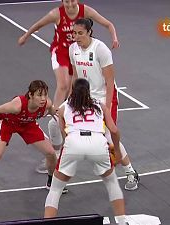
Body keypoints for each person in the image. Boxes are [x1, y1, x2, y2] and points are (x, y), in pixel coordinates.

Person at [18, 0, 120, 174]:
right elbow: (39, 24)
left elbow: (107, 23)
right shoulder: (56, 14)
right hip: (62, 50)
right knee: (64, 85)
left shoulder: (86, 15)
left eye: (72, 1)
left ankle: (125, 166)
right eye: (66, 1)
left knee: (107, 133)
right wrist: (25, 36)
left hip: (80, 55)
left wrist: (114, 37)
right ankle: (54, 113)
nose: (70, 4)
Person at [0, 80, 65, 206]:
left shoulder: (47, 103)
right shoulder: (16, 105)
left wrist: (61, 120)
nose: (43, 98)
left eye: (45, 94)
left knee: (50, 153)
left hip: (27, 124)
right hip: (7, 124)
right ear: (31, 95)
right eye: (39, 95)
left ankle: (51, 182)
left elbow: (53, 111)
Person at [66, 18, 139, 190]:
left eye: (80, 33)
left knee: (108, 137)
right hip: (84, 97)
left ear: (89, 32)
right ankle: (58, 179)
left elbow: (109, 80)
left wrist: (107, 107)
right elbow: (76, 76)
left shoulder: (101, 49)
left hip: (104, 97)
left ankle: (130, 172)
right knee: (59, 125)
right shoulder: (73, 49)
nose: (76, 37)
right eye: (74, 33)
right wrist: (72, 97)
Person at [44, 78, 127, 225]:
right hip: (97, 143)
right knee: (112, 182)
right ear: (89, 91)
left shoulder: (65, 107)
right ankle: (122, 221)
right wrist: (118, 152)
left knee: (56, 189)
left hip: (73, 142)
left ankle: (46, 223)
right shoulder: (100, 105)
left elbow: (62, 130)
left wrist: (68, 146)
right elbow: (114, 130)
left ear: (73, 90)